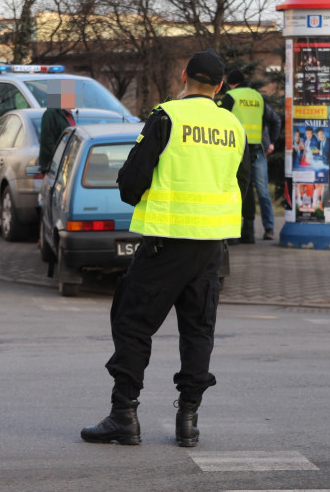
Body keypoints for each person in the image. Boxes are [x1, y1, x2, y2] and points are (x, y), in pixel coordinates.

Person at [80, 49, 250, 448]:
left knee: (132, 323)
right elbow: (241, 184)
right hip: (211, 247)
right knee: (198, 331)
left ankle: (124, 415)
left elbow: (131, 183)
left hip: (165, 243)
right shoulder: (233, 126)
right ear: (220, 86)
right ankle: (188, 420)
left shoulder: (167, 116)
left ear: (184, 76)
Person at [219, 68, 282, 242]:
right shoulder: (257, 97)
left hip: (236, 151)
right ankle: (267, 229)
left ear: (231, 83)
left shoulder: (231, 96)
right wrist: (271, 142)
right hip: (258, 151)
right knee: (262, 192)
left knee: (237, 190)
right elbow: (275, 119)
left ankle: (237, 231)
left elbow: (218, 118)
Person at [37, 81, 76, 173]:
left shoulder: (69, 115)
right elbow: (47, 142)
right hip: (54, 167)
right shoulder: (50, 114)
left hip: (67, 165)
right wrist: (61, 157)